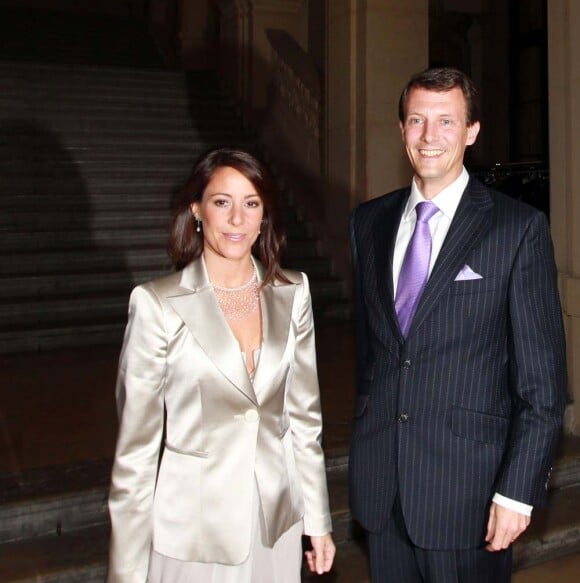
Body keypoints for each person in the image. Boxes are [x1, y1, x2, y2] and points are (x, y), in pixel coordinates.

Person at [349, 67, 567, 582]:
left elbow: (543, 385)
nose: (430, 137)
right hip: (382, 488)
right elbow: (372, 355)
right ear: (402, 129)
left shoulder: (517, 228)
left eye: (446, 122)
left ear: (471, 131)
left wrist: (517, 489)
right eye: (417, 121)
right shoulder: (368, 222)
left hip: (468, 491)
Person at [107, 147, 335, 583]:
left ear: (264, 214)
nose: (237, 220)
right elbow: (135, 455)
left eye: (251, 204)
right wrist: (126, 573)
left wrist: (318, 520)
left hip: (275, 524)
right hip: (193, 529)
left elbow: (304, 420)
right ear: (197, 209)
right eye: (221, 202)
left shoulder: (293, 291)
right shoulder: (157, 304)